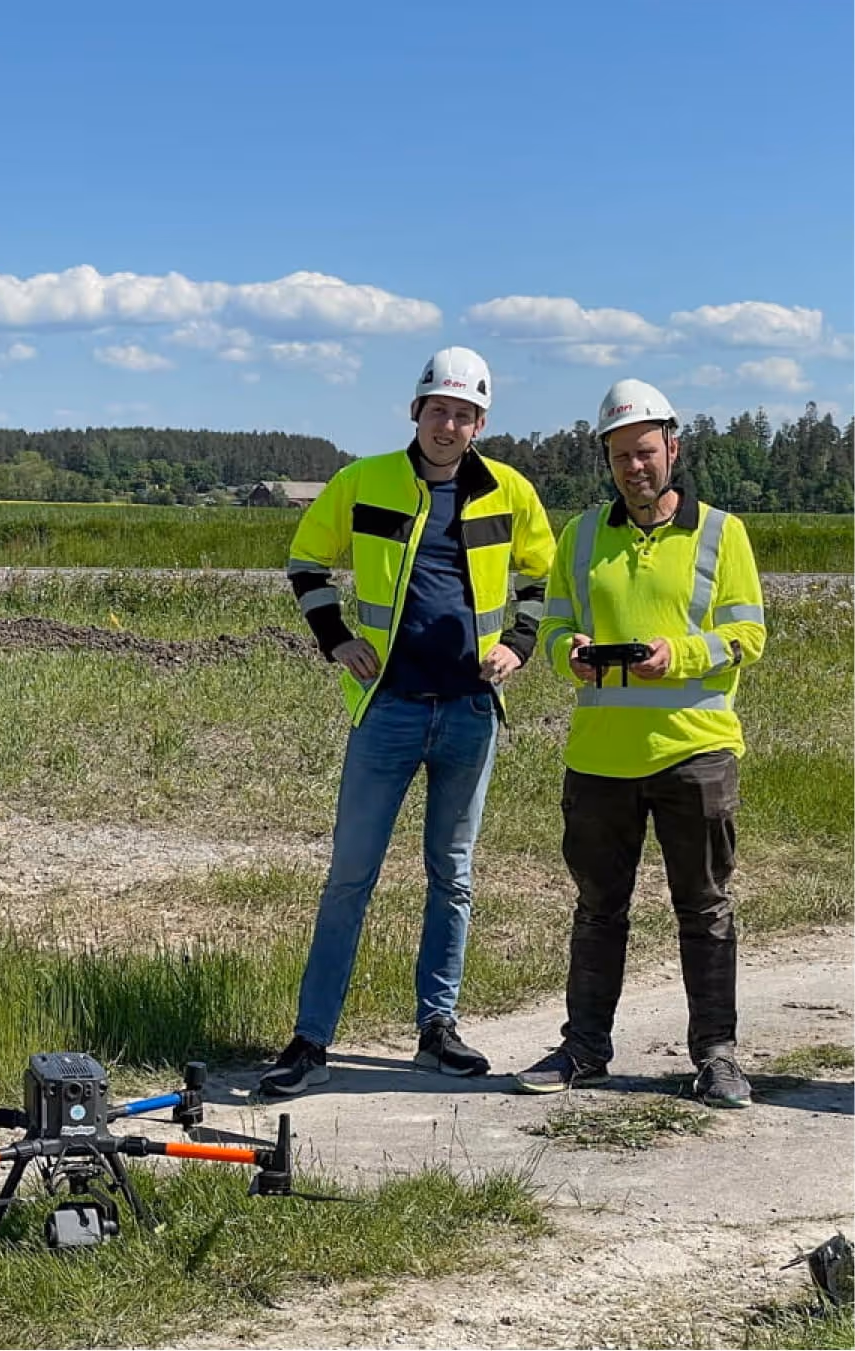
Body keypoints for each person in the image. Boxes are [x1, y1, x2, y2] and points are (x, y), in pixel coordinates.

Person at [258, 347, 555, 1096]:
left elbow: (541, 578)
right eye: (436, 409)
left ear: (479, 422)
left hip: (468, 712)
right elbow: (305, 562)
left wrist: (519, 645)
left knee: (450, 877)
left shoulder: (509, 491)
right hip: (387, 709)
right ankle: (311, 1039)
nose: (447, 424)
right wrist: (337, 640)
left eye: (462, 414)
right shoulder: (363, 482)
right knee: (349, 877)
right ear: (414, 412)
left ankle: (437, 1028)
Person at [514, 378, 767, 1107]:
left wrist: (676, 655)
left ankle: (715, 1055)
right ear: (606, 457)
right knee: (597, 909)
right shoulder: (580, 535)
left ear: (672, 449)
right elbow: (556, 629)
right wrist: (572, 654)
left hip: (695, 752)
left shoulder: (722, 533)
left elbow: (747, 634)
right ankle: (583, 1048)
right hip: (599, 759)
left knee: (704, 907)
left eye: (646, 452)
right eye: (621, 455)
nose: (635, 467)